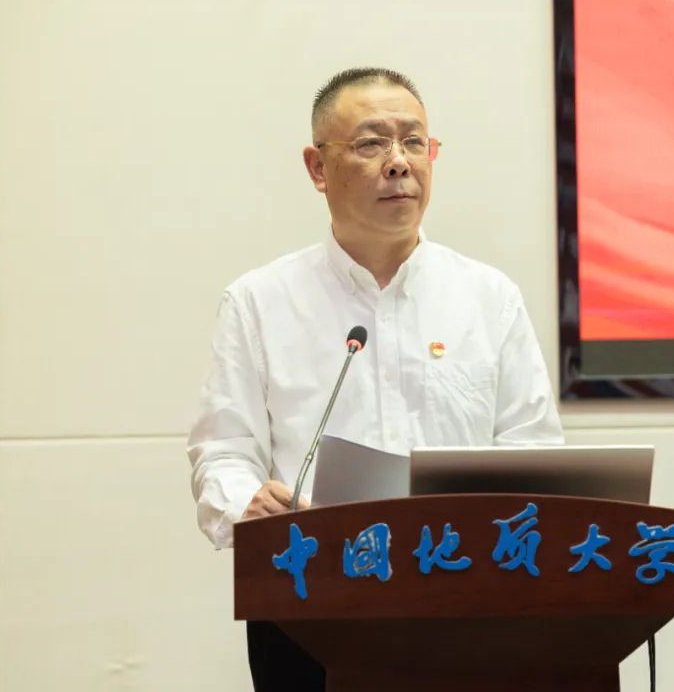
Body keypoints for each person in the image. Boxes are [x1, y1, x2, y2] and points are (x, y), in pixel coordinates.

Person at [186, 67, 564, 692]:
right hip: (309, 605)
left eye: (414, 142)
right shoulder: (260, 301)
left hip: (467, 598)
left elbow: (532, 448)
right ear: (317, 167)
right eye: (371, 143)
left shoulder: (488, 297)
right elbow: (223, 449)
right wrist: (244, 503)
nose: (398, 162)